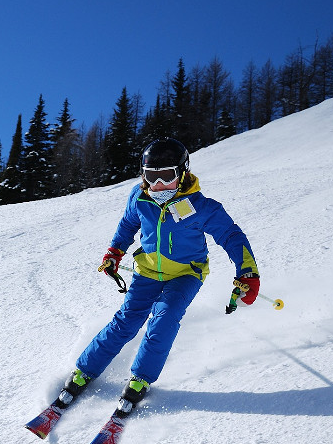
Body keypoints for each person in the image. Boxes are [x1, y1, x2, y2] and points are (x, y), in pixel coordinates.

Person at [53, 137, 261, 418]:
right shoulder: (139, 198)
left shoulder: (202, 207)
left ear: (183, 173)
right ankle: (84, 371)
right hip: (147, 271)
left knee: (163, 319)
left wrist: (247, 273)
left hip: (187, 273)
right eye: (152, 177)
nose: (159, 185)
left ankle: (140, 378)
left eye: (167, 176)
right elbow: (128, 224)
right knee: (125, 322)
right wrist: (115, 252)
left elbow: (231, 236)